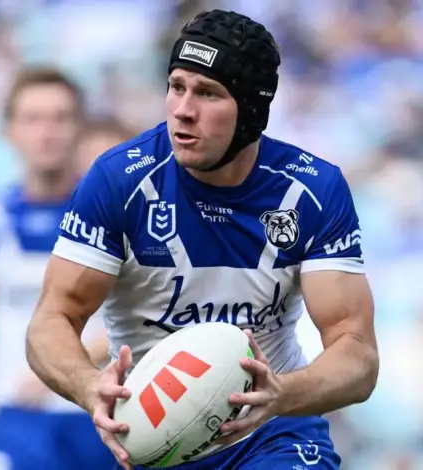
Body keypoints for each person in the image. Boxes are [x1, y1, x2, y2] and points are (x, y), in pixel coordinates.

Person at [26, 9, 379, 470]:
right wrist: (87, 385)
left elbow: (357, 354)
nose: (183, 110)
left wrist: (281, 393)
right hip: (155, 445)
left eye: (208, 93)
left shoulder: (311, 191)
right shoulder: (120, 181)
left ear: (251, 109)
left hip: (273, 435)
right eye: (176, 87)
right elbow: (50, 321)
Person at [0, 68, 115, 470]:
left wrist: (63, 366)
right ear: (8, 131)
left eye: (60, 118)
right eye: (32, 119)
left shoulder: (113, 215)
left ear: (80, 129)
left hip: (94, 420)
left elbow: (148, 318)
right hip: (14, 420)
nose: (47, 133)